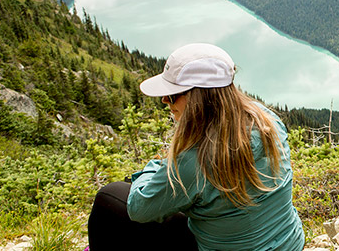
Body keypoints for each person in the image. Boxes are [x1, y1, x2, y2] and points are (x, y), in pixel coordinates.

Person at [87, 43, 305, 250]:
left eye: (172, 95)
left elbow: (138, 209)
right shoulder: (266, 119)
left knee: (108, 198)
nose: (165, 100)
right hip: (289, 243)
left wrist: (154, 168)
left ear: (198, 98)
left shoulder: (194, 160)